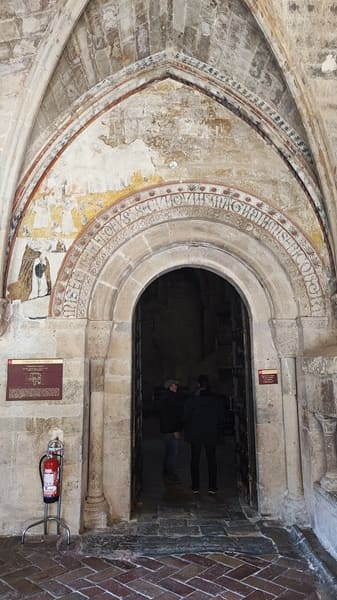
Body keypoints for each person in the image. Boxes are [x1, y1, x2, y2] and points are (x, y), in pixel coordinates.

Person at [184, 375, 224, 494]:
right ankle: (212, 487)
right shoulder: (216, 400)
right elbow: (221, 418)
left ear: (198, 385)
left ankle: (195, 487)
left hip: (195, 434)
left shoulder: (191, 400)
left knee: (195, 460)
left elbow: (185, 418)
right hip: (211, 434)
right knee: (211, 460)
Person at [159, 379, 183, 483]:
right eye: (174, 385)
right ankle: (171, 475)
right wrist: (176, 430)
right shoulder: (171, 398)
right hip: (171, 430)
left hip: (166, 429)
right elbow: (172, 416)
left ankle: (166, 471)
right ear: (169, 386)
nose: (176, 386)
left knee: (168, 451)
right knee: (173, 453)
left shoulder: (165, 397)